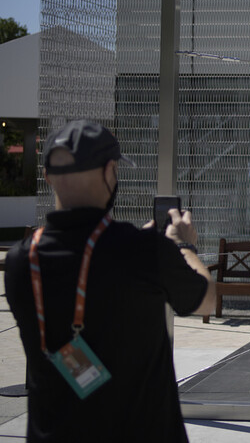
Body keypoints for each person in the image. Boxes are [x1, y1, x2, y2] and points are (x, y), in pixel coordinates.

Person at [3, 120, 216, 442]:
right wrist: (182, 246)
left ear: (47, 177)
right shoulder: (144, 250)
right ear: (109, 171)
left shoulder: (21, 260)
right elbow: (206, 300)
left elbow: (88, 267)